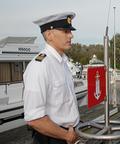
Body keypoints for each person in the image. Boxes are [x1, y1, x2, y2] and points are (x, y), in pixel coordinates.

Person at [23, 12, 80, 144]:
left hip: (69, 134)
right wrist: (66, 135)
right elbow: (34, 118)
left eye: (70, 31)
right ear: (49, 35)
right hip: (52, 139)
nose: (71, 35)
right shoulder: (39, 66)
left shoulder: (63, 63)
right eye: (66, 31)